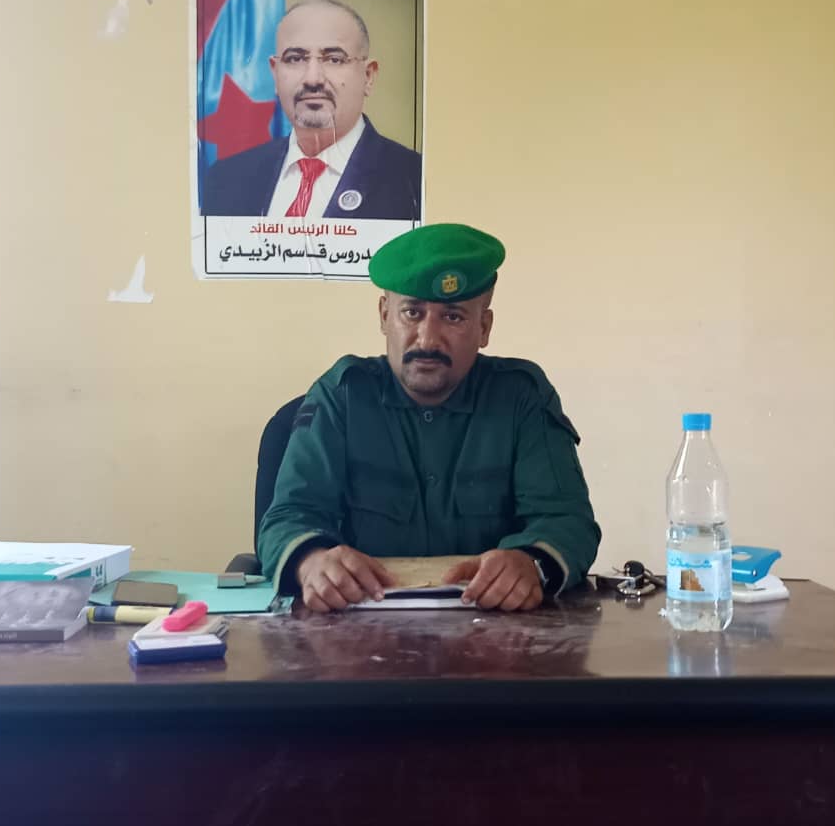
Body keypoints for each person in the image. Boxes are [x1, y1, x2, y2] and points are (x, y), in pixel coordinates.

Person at [257, 223, 601, 612]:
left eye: (453, 317)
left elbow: (567, 521)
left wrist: (531, 563)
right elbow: (287, 518)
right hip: (360, 626)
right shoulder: (343, 395)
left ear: (484, 328)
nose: (427, 339)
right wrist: (311, 561)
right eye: (412, 312)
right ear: (384, 315)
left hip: (494, 628)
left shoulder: (521, 397)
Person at [201, 0, 422, 222]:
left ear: (368, 76)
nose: (312, 79)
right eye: (295, 59)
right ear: (275, 74)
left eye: (334, 60)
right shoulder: (225, 179)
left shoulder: (416, 180)